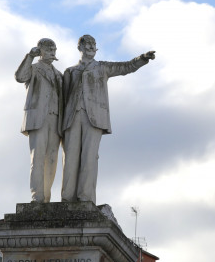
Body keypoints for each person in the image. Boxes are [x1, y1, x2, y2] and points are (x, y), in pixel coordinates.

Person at [61, 34, 155, 203]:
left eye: (93, 44)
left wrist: (142, 59)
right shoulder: (70, 71)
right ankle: (67, 198)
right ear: (79, 47)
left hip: (94, 117)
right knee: (70, 159)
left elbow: (126, 67)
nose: (91, 47)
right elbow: (63, 99)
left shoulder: (102, 67)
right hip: (71, 118)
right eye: (87, 44)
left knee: (89, 157)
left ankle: (85, 198)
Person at [15, 38, 64, 202]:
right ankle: (37, 196)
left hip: (56, 120)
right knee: (37, 159)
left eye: (54, 50)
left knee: (51, 160)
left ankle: (46, 197)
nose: (52, 53)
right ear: (40, 50)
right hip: (37, 119)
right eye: (49, 49)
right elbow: (20, 77)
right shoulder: (33, 68)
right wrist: (30, 56)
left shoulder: (59, 75)